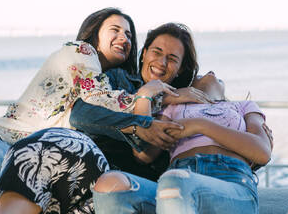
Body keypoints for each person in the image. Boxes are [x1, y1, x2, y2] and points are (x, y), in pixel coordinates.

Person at [0, 23, 212, 213]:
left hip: (125, 182)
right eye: (156, 51)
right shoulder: (119, 79)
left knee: (53, 149)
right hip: (80, 166)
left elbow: (145, 155)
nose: (162, 62)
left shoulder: (182, 103)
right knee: (41, 148)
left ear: (181, 68)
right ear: (143, 53)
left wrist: (174, 97)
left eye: (172, 59)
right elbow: (82, 114)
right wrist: (142, 103)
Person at [92, 71, 273, 214]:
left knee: (177, 182)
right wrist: (145, 96)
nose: (210, 72)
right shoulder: (173, 107)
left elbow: (262, 152)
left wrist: (199, 125)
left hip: (232, 181)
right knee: (109, 184)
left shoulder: (242, 106)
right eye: (200, 74)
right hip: (177, 180)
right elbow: (144, 154)